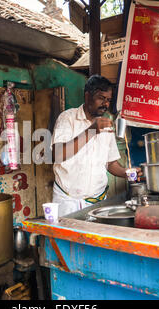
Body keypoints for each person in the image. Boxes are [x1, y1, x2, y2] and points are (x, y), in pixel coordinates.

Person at [51, 75, 142, 217]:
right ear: (87, 96)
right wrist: (91, 130)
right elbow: (57, 155)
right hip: (68, 202)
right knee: (68, 239)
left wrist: (127, 173)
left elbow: (110, 163)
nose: (105, 104)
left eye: (108, 100)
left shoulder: (106, 125)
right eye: (101, 98)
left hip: (97, 203)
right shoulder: (67, 118)